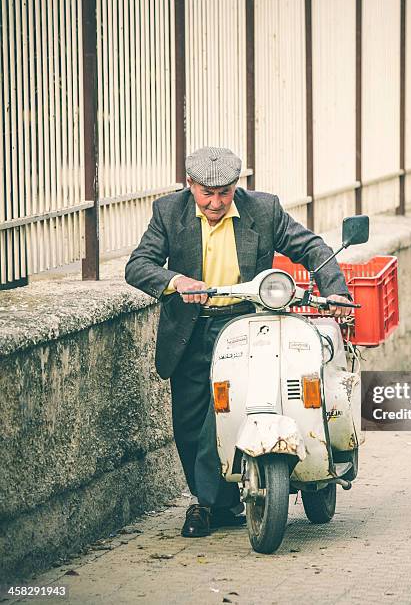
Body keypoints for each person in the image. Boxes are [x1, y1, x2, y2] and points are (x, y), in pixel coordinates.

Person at [125, 146, 352, 538]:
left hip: (246, 324)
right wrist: (176, 282)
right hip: (191, 329)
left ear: (237, 186)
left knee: (224, 408)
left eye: (225, 193)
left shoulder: (264, 210)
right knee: (189, 421)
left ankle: (206, 505)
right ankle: (219, 501)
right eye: (206, 194)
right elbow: (138, 265)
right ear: (190, 185)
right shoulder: (168, 212)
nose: (215, 203)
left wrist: (336, 291)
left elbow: (312, 247)